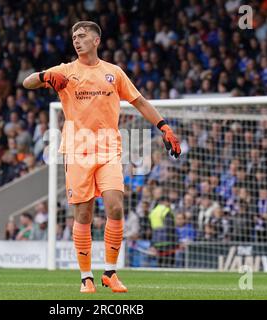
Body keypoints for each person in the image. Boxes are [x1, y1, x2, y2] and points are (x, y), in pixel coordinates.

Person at [23, 21, 181, 293]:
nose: (77, 40)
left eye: (82, 35)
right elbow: (27, 82)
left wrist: (164, 126)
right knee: (83, 213)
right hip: (77, 150)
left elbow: (140, 102)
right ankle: (86, 277)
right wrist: (44, 76)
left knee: (115, 205)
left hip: (109, 148)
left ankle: (110, 272)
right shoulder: (65, 71)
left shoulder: (113, 72)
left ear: (96, 40)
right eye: (74, 36)